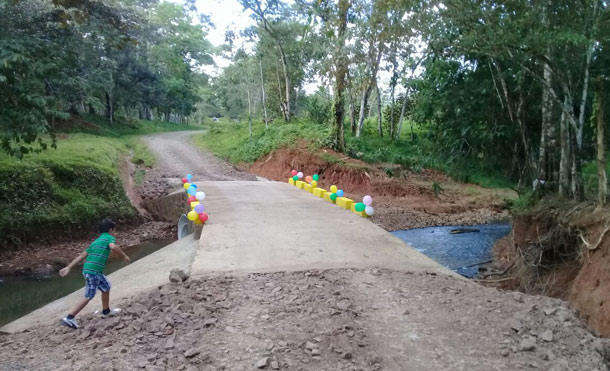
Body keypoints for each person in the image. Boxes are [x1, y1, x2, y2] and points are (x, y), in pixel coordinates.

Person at [58, 219, 130, 329]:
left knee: (106, 287)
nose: (115, 233)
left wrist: (69, 267)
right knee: (89, 295)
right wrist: (124, 256)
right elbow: (113, 247)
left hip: (91, 270)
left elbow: (82, 255)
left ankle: (106, 311)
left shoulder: (96, 241)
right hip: (93, 272)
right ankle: (69, 317)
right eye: (115, 230)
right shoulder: (109, 237)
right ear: (110, 230)